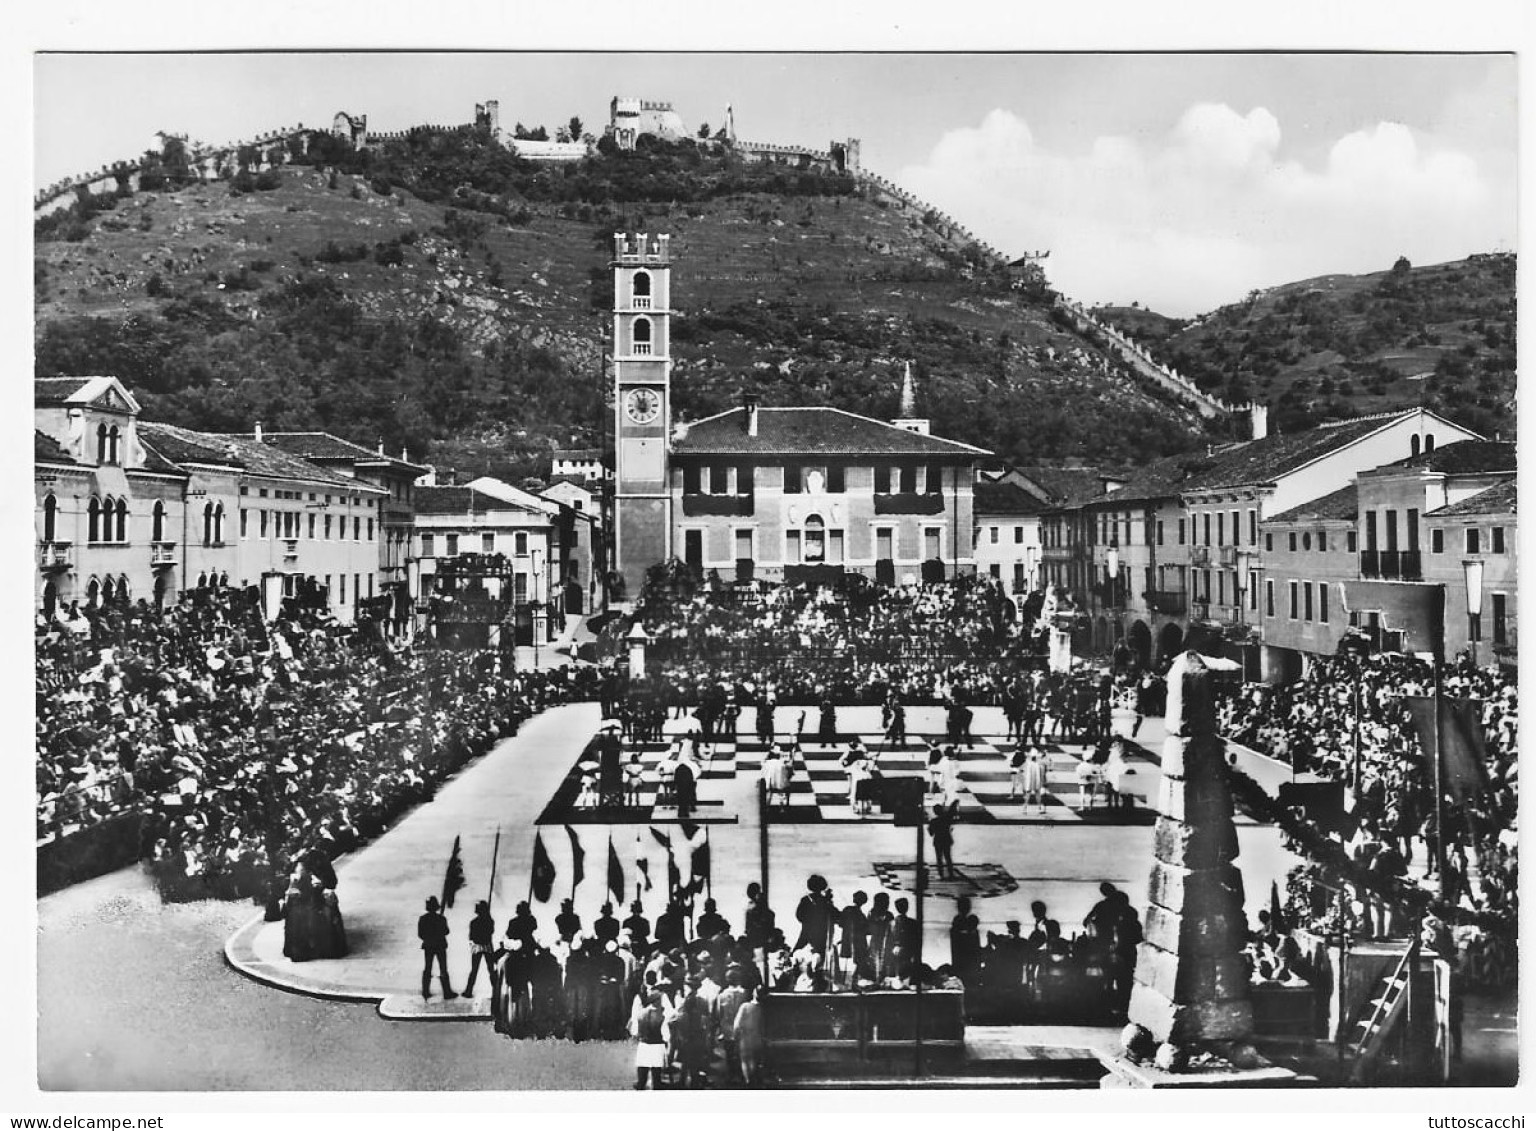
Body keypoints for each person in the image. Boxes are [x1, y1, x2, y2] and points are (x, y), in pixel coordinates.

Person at [418, 895, 457, 1001]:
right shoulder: (441, 919)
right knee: (443, 968)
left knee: (428, 968)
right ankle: (447, 992)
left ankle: (425, 991)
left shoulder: (423, 919)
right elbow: (446, 931)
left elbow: (420, 934)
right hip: (440, 945)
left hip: (428, 945)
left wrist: (429, 937)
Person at [630, 991, 669, 1090]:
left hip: (644, 1045)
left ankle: (641, 1084)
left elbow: (634, 1031)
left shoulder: (641, 1013)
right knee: (656, 1074)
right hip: (657, 1046)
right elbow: (666, 1035)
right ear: (656, 1001)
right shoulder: (662, 1015)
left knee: (642, 1071)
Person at [734, 986, 768, 1087]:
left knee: (745, 1060)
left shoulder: (745, 1006)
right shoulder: (763, 1009)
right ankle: (754, 1080)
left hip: (745, 1037)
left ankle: (748, 1080)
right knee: (754, 1060)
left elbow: (737, 1025)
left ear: (754, 993)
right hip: (758, 1038)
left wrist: (736, 1036)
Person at [463, 899, 496, 997]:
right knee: (491, 969)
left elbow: (471, 936)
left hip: (477, 946)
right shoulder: (490, 921)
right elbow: (491, 932)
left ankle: (468, 991)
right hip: (487, 945)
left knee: (474, 970)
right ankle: (496, 990)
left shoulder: (474, 922)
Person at [794, 875, 835, 953]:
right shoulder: (825, 901)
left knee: (799, 951)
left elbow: (799, 915)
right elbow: (835, 915)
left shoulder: (805, 899)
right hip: (821, 933)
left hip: (807, 930)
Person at [929, 799, 960, 880]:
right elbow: (951, 812)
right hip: (946, 840)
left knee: (939, 859)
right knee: (948, 858)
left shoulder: (933, 821)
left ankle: (941, 874)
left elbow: (931, 833)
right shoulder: (946, 818)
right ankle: (951, 874)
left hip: (938, 841)